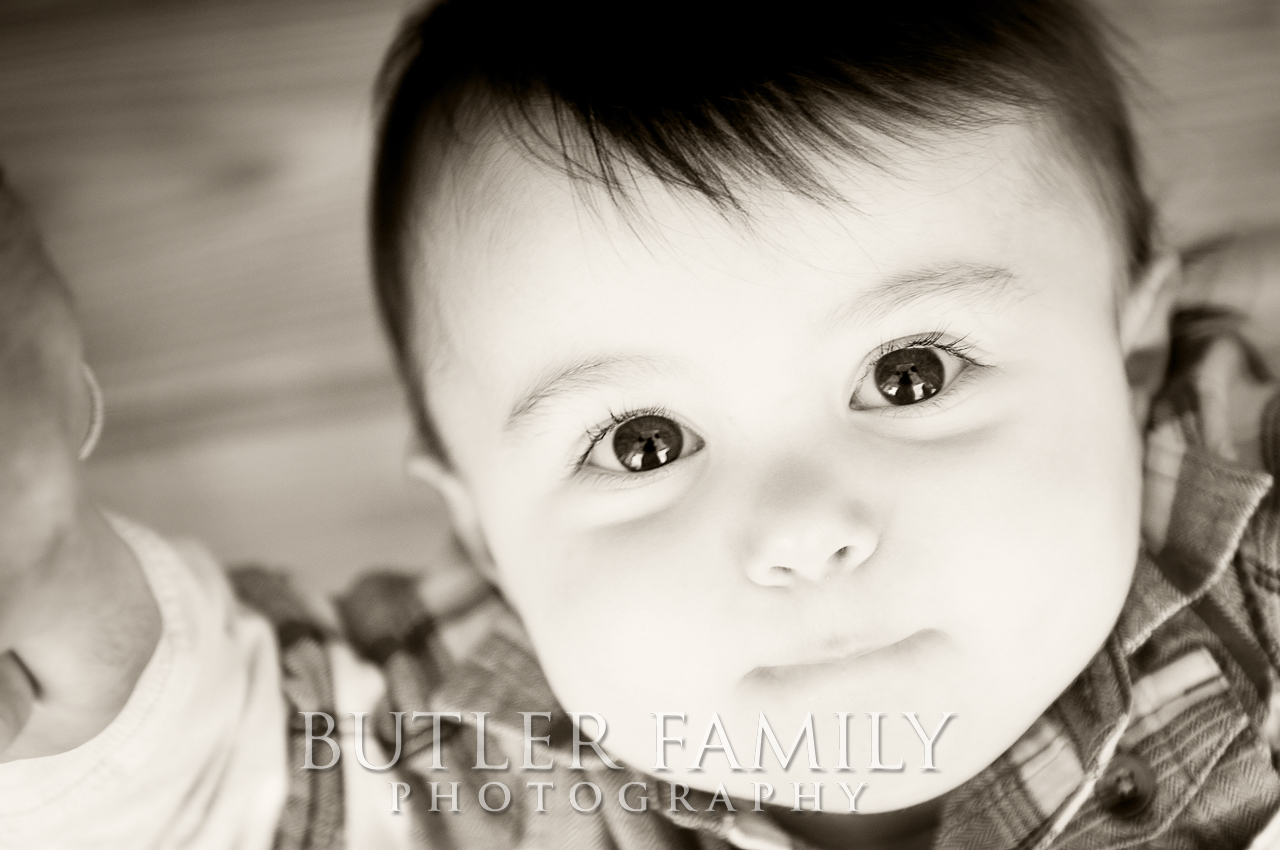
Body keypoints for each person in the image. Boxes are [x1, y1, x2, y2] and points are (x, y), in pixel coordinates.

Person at [3, 0, 1280, 847]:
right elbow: (220, 777)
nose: (801, 531)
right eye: (642, 445)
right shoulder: (468, 759)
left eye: (907, 375)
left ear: (1129, 351)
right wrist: (47, 567)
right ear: (487, 533)